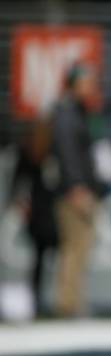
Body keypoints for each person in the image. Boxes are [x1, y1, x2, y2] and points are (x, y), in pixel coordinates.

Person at [51, 64, 101, 318]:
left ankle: (72, 301)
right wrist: (76, 187)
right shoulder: (68, 114)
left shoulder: (75, 112)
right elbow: (68, 154)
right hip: (74, 192)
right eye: (87, 82)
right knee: (74, 249)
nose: (91, 87)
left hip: (77, 188)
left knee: (79, 249)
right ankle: (67, 304)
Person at [7, 120, 57, 316]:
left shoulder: (50, 152)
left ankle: (41, 299)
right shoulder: (28, 153)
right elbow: (18, 184)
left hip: (45, 211)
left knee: (42, 259)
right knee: (40, 259)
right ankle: (36, 300)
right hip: (40, 213)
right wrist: (20, 204)